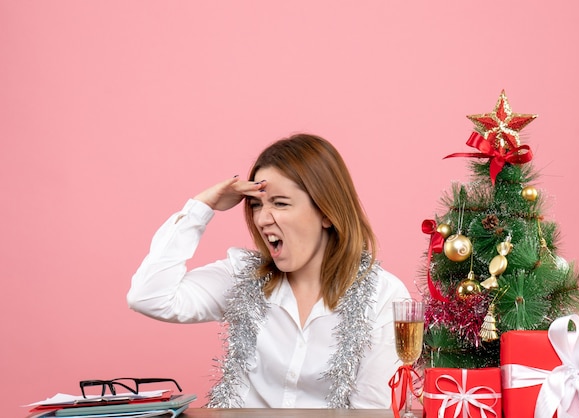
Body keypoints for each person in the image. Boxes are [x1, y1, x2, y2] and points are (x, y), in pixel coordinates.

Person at [127, 133, 410, 409]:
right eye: (256, 205)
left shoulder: (383, 295)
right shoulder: (242, 276)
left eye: (280, 203)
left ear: (326, 212)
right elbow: (149, 296)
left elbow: (375, 410)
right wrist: (202, 206)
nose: (262, 219)